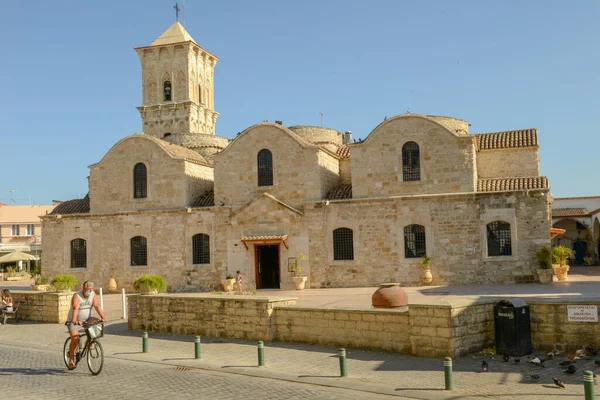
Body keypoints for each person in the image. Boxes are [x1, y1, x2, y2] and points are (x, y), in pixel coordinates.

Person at [65, 281, 106, 370]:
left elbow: (97, 306)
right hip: (74, 320)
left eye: (91, 290)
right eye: (87, 289)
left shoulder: (92, 295)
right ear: (83, 288)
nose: (89, 291)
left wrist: (103, 317)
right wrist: (75, 320)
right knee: (75, 339)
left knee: (94, 330)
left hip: (86, 320)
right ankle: (71, 359)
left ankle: (89, 343)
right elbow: (75, 308)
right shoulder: (77, 296)